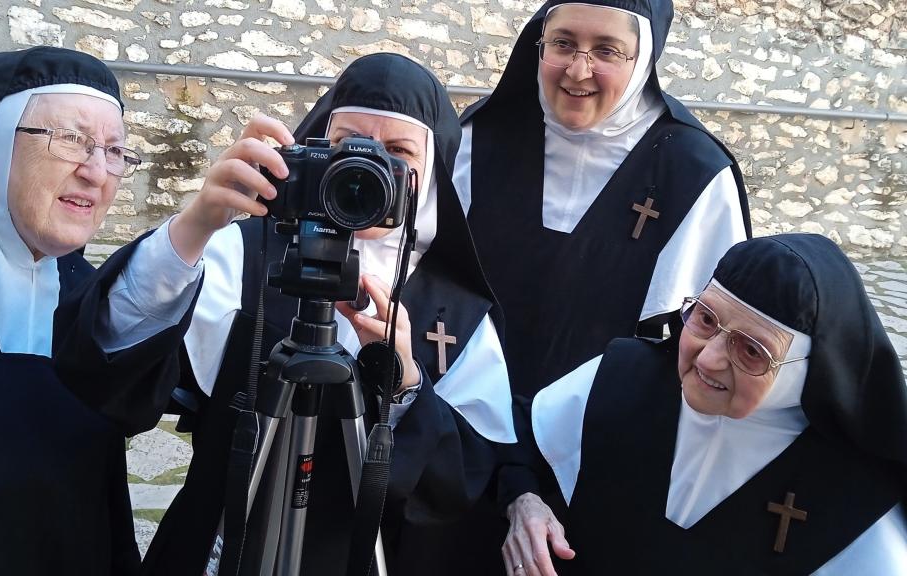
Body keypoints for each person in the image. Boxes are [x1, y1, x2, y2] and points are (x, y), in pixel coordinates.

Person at [141, 53, 516, 576]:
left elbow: (463, 479)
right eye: (346, 147)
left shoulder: (460, 310)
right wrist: (195, 227)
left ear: (431, 173)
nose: (365, 168)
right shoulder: (243, 251)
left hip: (362, 553)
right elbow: (129, 369)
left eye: (398, 152)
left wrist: (405, 381)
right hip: (226, 541)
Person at [0, 46, 247, 576]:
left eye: (116, 151)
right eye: (71, 140)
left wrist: (197, 226)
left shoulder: (74, 278)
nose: (97, 173)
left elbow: (129, 396)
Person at [503, 234, 907, 575]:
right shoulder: (624, 378)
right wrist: (523, 501)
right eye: (706, 320)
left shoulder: (853, 494)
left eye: (751, 350)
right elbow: (515, 436)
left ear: (808, 372)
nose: (708, 358)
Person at [456, 0, 751, 400]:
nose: (578, 71)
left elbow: (708, 339)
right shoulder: (480, 138)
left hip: (602, 423)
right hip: (464, 407)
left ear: (643, 59)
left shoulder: (694, 172)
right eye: (562, 43)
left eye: (607, 51)